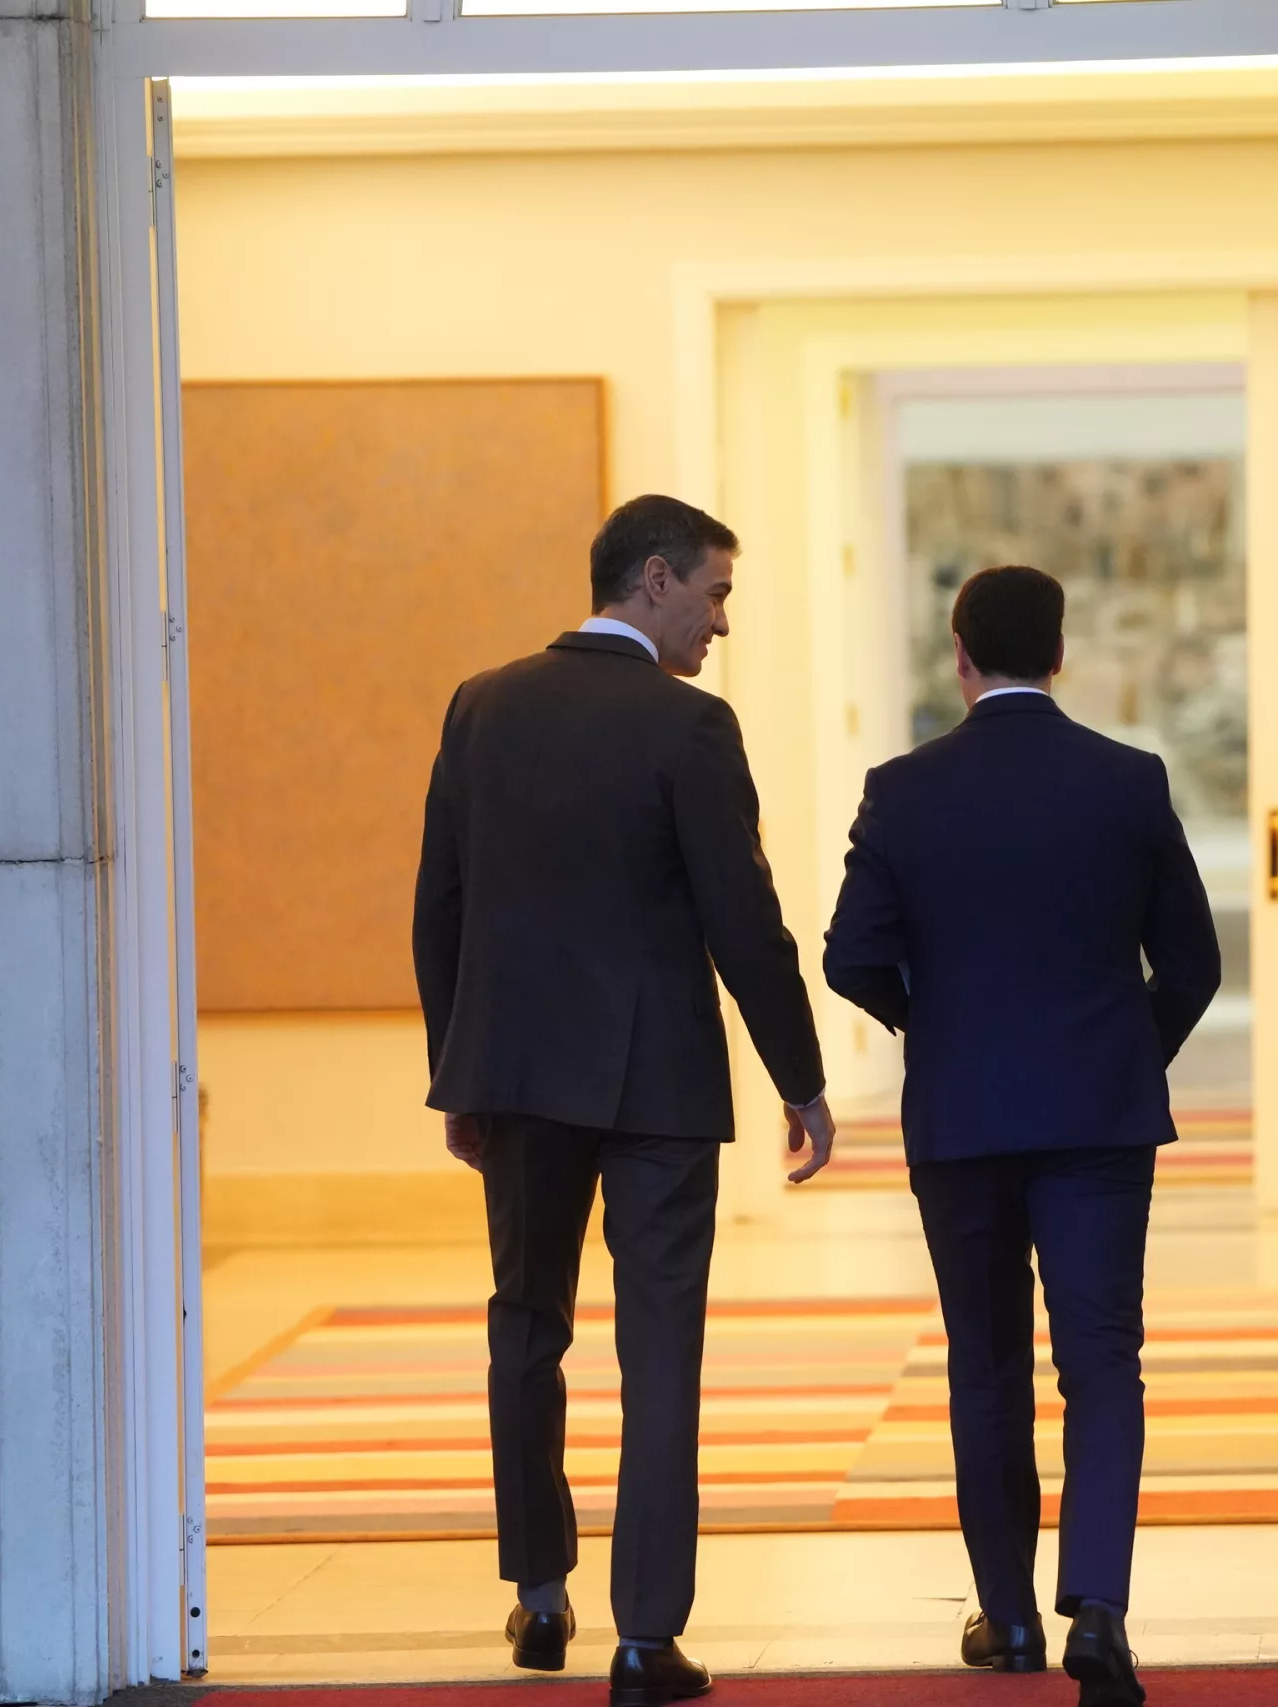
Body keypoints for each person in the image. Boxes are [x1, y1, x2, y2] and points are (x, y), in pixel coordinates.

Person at [414, 493, 837, 1707]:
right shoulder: (689, 725)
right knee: (659, 1353)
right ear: (654, 578)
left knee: (524, 1328)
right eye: (715, 593)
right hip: (659, 1085)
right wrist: (799, 1077)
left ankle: (541, 1593)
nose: (721, 623)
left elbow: (439, 904)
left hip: (516, 1077)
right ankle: (648, 1638)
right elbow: (742, 918)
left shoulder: (482, 706)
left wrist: (458, 1071)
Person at [822, 565, 1220, 1707]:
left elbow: (851, 956)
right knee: (1102, 1359)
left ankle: (1004, 1615)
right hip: (1097, 1116)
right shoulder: (1127, 780)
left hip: (962, 1119)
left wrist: (940, 1028)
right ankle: (1098, 1606)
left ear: (959, 655)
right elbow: (1193, 963)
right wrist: (1124, 1052)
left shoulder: (902, 790)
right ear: (1059, 654)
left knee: (985, 1358)